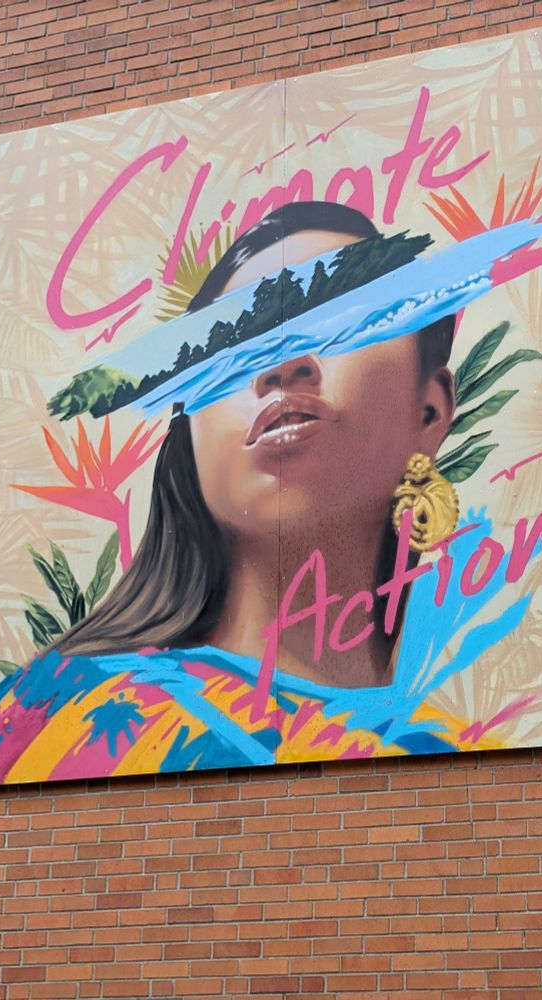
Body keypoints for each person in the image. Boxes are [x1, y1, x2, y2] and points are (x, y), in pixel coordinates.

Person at [53, 202, 458, 691]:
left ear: (430, 411)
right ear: (191, 429)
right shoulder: (66, 720)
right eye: (236, 346)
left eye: (339, 318)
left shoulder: (452, 742)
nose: (282, 366)